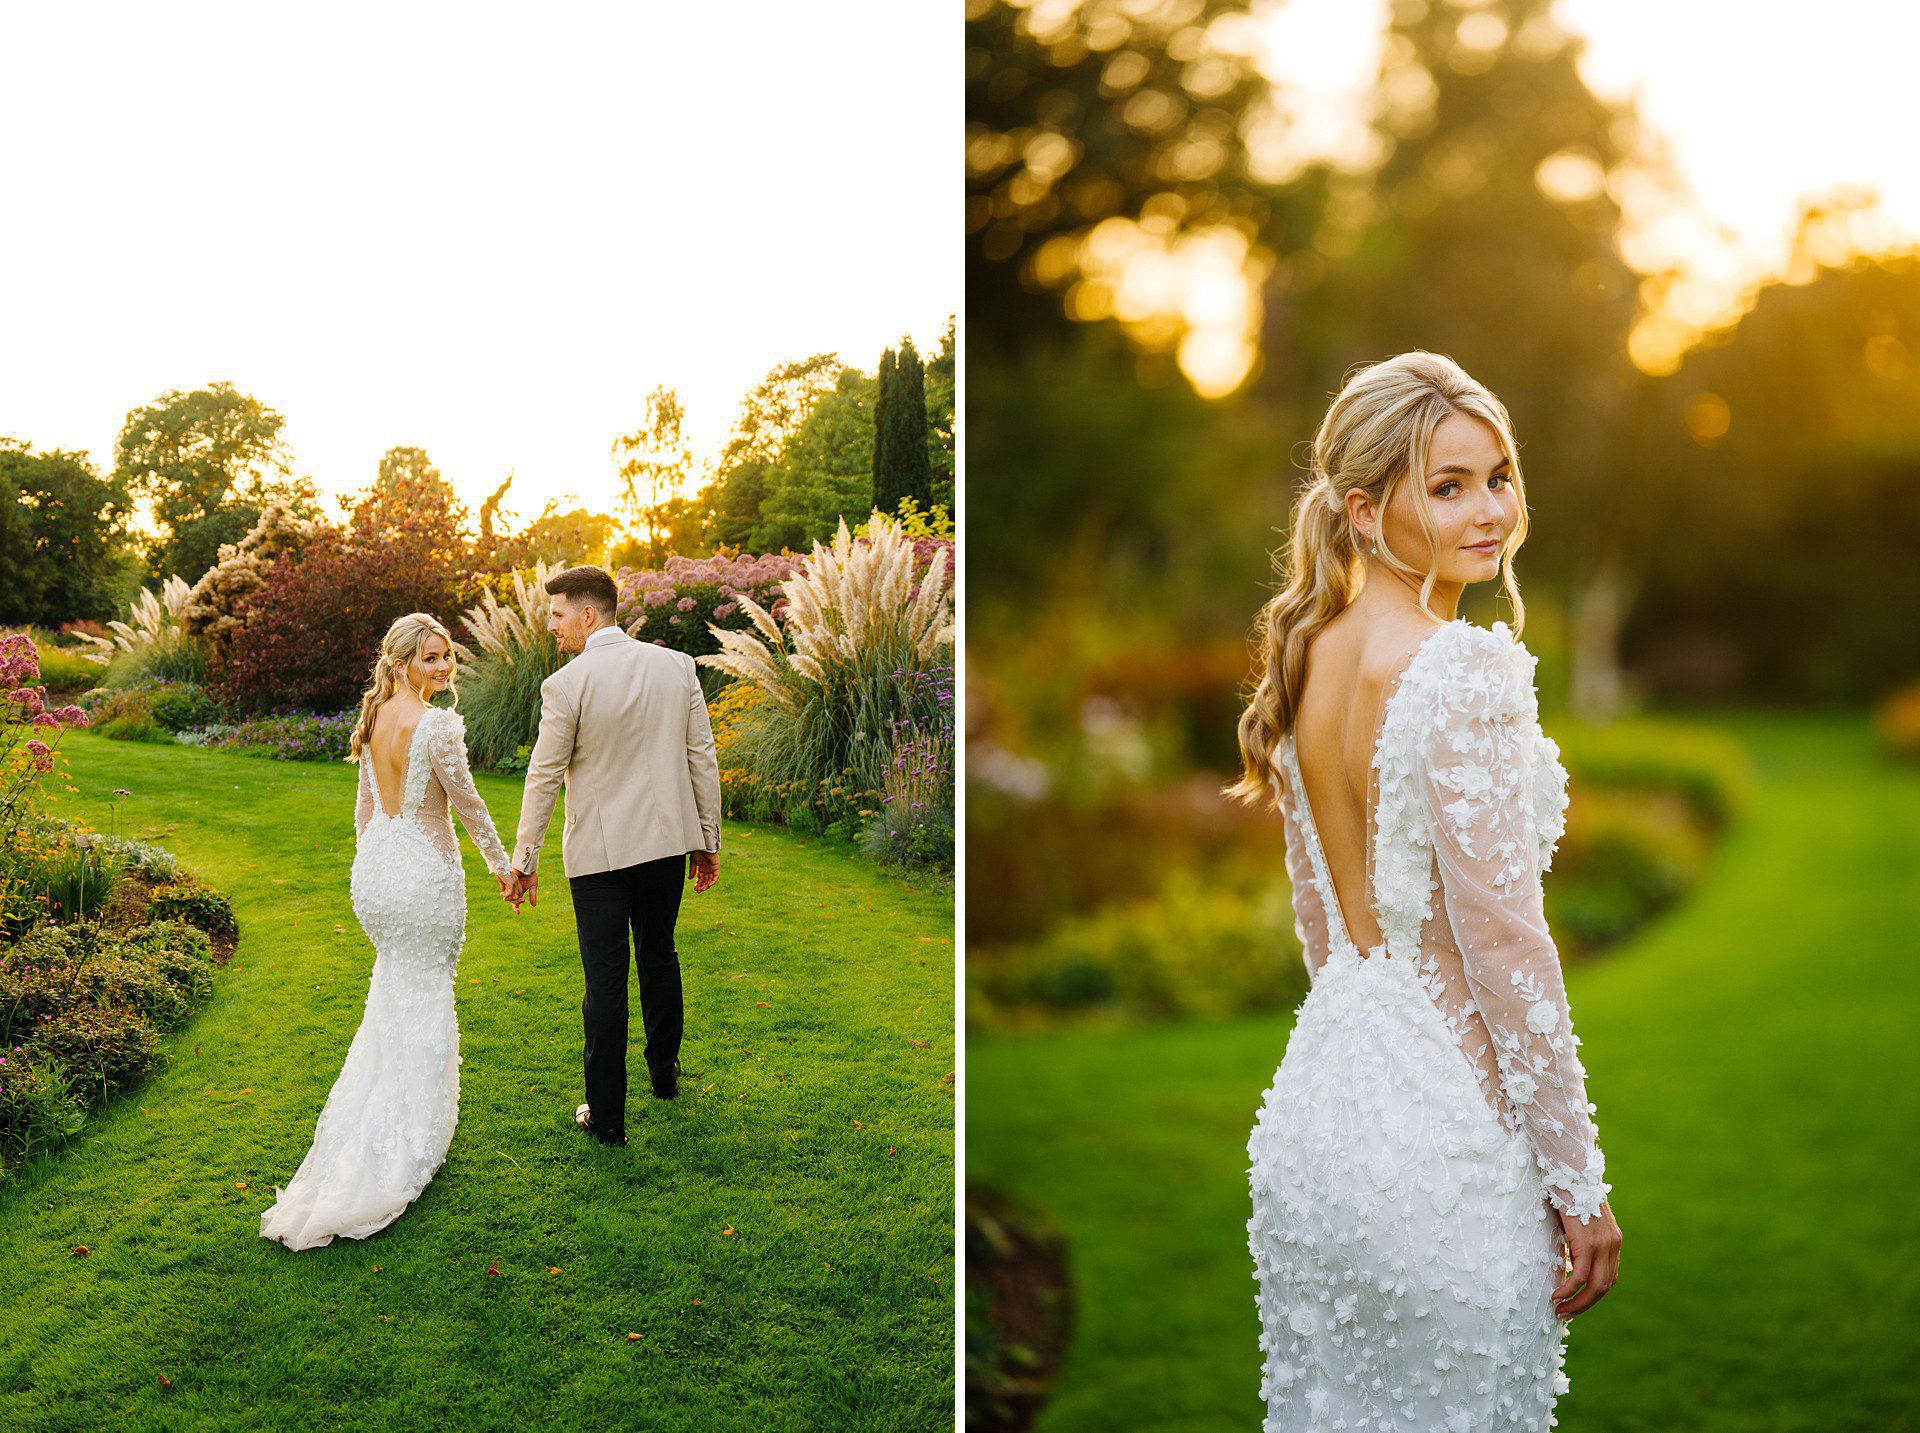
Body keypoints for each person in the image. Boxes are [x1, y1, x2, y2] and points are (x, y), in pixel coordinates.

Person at [1225, 351, 1623, 1428]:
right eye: (1447, 486)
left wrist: (1360, 1065)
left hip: (1321, 1114)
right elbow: (1507, 948)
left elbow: (1323, 919)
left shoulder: (1306, 650)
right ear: (1364, 508)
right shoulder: (1463, 667)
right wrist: (1577, 1184)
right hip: (1445, 1136)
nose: (1488, 509)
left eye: (1496, 475)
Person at [260, 612, 514, 1251]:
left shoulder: (372, 718)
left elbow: (367, 809)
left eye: (447, 656)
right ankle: (414, 1132)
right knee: (425, 989)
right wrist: (501, 864)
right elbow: (467, 803)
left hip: (377, 870)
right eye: (430, 658)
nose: (443, 668)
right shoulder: (439, 723)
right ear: (401, 662)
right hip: (424, 873)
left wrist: (370, 861)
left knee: (396, 987)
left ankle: (387, 1115)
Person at [501, 564, 722, 1148]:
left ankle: (606, 1117)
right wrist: (706, 840)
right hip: (666, 847)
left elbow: (543, 776)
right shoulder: (676, 667)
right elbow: (701, 757)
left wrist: (525, 858)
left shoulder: (566, 684)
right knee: (659, 954)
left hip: (599, 858)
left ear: (588, 614)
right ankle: (664, 1077)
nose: (552, 627)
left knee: (605, 982)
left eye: (557, 615)